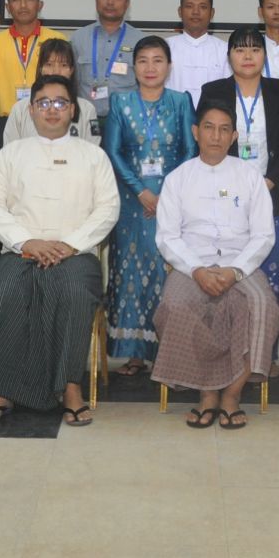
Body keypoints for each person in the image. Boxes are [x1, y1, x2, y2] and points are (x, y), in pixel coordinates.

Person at [0, 77, 120, 427]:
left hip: (76, 255)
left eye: (60, 103)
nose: (52, 110)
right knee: (7, 292)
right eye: (43, 103)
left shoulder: (93, 156)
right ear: (30, 109)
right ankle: (1, 390)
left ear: (73, 110)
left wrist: (70, 245)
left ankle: (70, 388)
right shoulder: (11, 154)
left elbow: (108, 208)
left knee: (72, 293)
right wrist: (27, 242)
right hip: (22, 251)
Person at [152, 98, 279, 429]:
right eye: (209, 128)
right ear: (196, 132)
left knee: (263, 306)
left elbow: (263, 235)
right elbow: (167, 237)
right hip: (190, 265)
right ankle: (207, 394)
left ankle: (232, 395)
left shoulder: (250, 176)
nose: (216, 136)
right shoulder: (178, 178)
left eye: (224, 130)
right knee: (175, 305)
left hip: (241, 264)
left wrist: (235, 271)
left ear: (234, 136)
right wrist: (196, 270)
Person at [102, 36, 197, 375]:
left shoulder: (181, 101)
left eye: (158, 60)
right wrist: (141, 191)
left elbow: (190, 150)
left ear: (169, 66)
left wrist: (166, 195)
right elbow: (112, 151)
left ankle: (168, 349)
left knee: (165, 269)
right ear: (134, 67)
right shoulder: (120, 102)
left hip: (173, 201)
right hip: (132, 202)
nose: (150, 67)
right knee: (130, 269)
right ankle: (134, 353)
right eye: (143, 60)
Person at [199, 28, 279, 305]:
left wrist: (269, 182)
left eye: (255, 49)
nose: (248, 56)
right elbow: (207, 141)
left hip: (273, 194)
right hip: (225, 196)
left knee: (270, 279)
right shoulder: (213, 91)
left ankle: (265, 333)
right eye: (240, 49)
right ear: (229, 56)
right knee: (228, 277)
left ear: (264, 56)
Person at [0, 0, 66, 162]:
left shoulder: (57, 40)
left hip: (48, 120)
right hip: (6, 123)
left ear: (40, 5)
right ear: (7, 7)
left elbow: (66, 89)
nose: (23, 5)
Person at [70, 0, 143, 119]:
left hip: (126, 121)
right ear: (96, 0)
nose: (110, 2)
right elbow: (71, 84)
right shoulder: (78, 38)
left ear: (127, 4)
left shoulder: (140, 41)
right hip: (85, 120)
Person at [2, 37, 98, 144]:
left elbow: (93, 150)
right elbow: (10, 149)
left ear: (71, 70)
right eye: (49, 64)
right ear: (40, 69)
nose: (56, 71)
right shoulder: (20, 109)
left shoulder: (87, 109)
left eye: (63, 65)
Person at [166, 0, 230, 106]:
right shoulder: (164, 48)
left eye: (203, 7)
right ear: (180, 11)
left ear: (212, 13)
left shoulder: (225, 50)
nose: (196, 12)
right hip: (173, 116)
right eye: (189, 6)